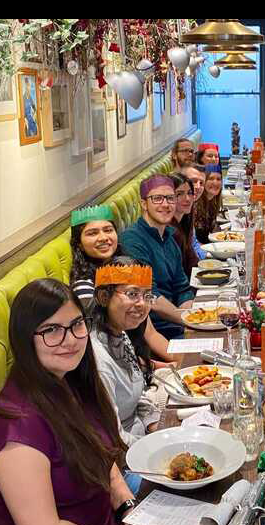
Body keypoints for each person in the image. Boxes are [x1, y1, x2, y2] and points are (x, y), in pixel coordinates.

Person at [0, 278, 132, 525]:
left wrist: (128, 507)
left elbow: (102, 454)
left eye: (77, 324)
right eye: (51, 330)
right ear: (24, 338)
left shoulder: (74, 380)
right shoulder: (18, 425)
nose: (70, 340)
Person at [68, 204, 173, 364]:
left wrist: (181, 362)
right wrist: (155, 367)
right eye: (92, 233)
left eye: (108, 230)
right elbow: (104, 350)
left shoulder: (127, 267)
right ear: (79, 244)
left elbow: (150, 333)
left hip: (142, 359)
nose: (103, 237)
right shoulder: (84, 288)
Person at [88, 259, 164, 475]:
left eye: (147, 295)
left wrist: (154, 425)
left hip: (141, 439)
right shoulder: (98, 360)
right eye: (132, 294)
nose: (142, 304)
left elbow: (136, 393)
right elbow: (113, 438)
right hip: (120, 463)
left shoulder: (119, 333)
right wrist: (159, 448)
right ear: (104, 297)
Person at [119, 175, 196, 339]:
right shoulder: (132, 240)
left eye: (170, 198)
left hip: (178, 325)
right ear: (143, 204)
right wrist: (188, 320)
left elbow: (182, 288)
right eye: (157, 199)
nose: (166, 204)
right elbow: (149, 295)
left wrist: (191, 318)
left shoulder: (169, 237)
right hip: (156, 333)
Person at [167, 172, 204, 278]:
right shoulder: (170, 230)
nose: (187, 199)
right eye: (179, 194)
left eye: (189, 193)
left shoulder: (185, 221)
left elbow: (192, 261)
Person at [192, 163, 223, 244]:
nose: (215, 183)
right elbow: (192, 243)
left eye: (218, 179)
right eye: (211, 178)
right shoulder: (194, 205)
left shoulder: (212, 202)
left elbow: (213, 229)